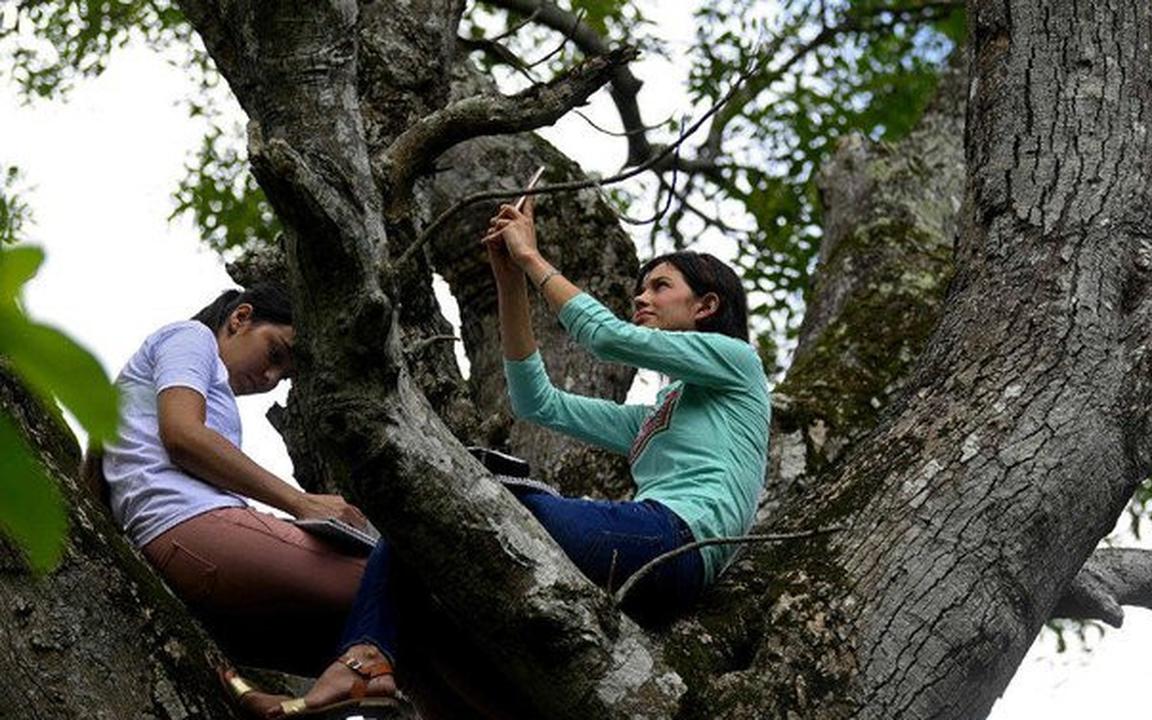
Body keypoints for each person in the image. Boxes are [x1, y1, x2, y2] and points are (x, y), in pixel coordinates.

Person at [257, 195, 771, 718]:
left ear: (706, 306)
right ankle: (367, 663)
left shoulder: (739, 363)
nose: (641, 298)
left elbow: (606, 338)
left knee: (449, 501)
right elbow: (537, 402)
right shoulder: (660, 413)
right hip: (652, 566)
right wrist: (509, 280)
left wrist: (531, 256)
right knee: (430, 531)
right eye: (640, 288)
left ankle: (362, 663)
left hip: (674, 541)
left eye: (660, 287)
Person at [101, 284, 371, 688]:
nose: (269, 377)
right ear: (240, 318)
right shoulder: (190, 337)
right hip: (191, 528)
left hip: (182, 559)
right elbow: (182, 436)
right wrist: (300, 502)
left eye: (284, 377)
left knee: (397, 643)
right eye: (275, 354)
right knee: (402, 583)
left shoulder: (146, 392)